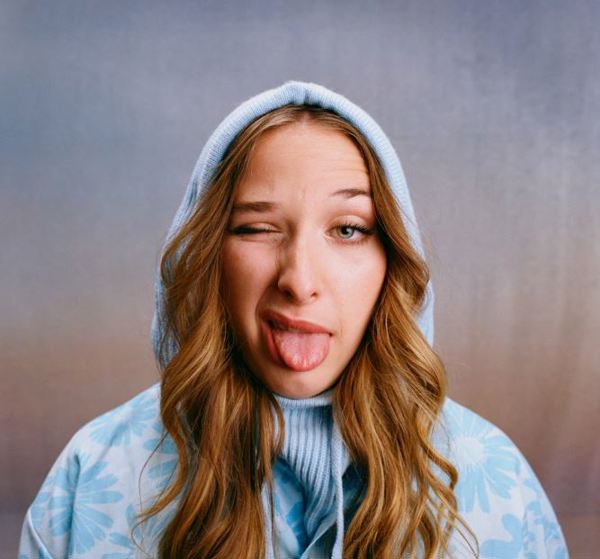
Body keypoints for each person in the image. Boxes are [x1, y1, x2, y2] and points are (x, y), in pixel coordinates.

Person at [18, 81, 568, 559]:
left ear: (392, 259)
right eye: (257, 228)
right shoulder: (91, 475)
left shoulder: (498, 485)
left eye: (348, 229)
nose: (300, 280)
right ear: (210, 255)